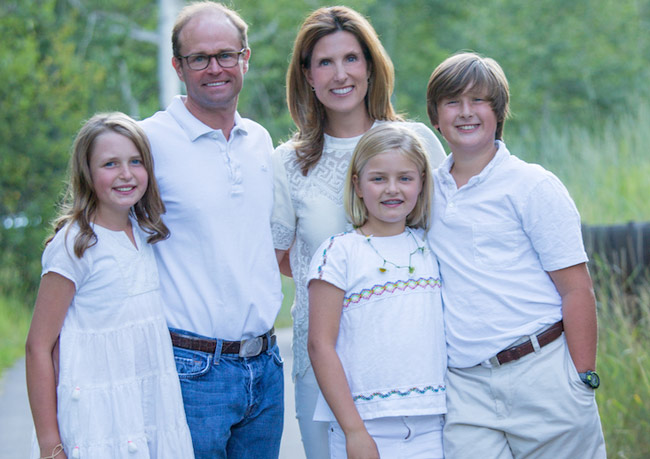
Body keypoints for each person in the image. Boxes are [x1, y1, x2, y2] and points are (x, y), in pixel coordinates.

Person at [271, 6, 446, 457]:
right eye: (324, 62)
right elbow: (284, 257)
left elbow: (446, 240)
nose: (339, 74)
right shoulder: (288, 164)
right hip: (326, 369)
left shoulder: (417, 142)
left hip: (417, 369)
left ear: (371, 66)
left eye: (351, 58)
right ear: (306, 75)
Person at [426, 51, 606, 458]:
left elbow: (577, 290)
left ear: (499, 112)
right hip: (465, 387)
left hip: (542, 371)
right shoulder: (424, 192)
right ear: (435, 117)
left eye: (480, 101)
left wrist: (581, 379)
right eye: (453, 102)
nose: (466, 112)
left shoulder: (532, 185)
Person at [138, 2, 283, 458]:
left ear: (246, 58)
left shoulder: (259, 140)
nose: (214, 68)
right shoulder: (147, 142)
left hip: (266, 367)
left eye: (225, 54)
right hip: (190, 370)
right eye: (199, 58)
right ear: (178, 66)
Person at [25, 112, 194, 459]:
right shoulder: (76, 244)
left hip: (149, 405)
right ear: (86, 172)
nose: (126, 174)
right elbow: (38, 347)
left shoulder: (146, 232)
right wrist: (49, 443)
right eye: (110, 164)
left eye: (136, 161)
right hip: (98, 414)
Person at [307, 123, 447, 459]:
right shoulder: (339, 252)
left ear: (422, 182)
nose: (392, 189)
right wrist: (353, 430)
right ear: (357, 184)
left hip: (433, 424)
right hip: (364, 426)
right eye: (378, 178)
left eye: (405, 178)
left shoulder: (432, 247)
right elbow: (319, 345)